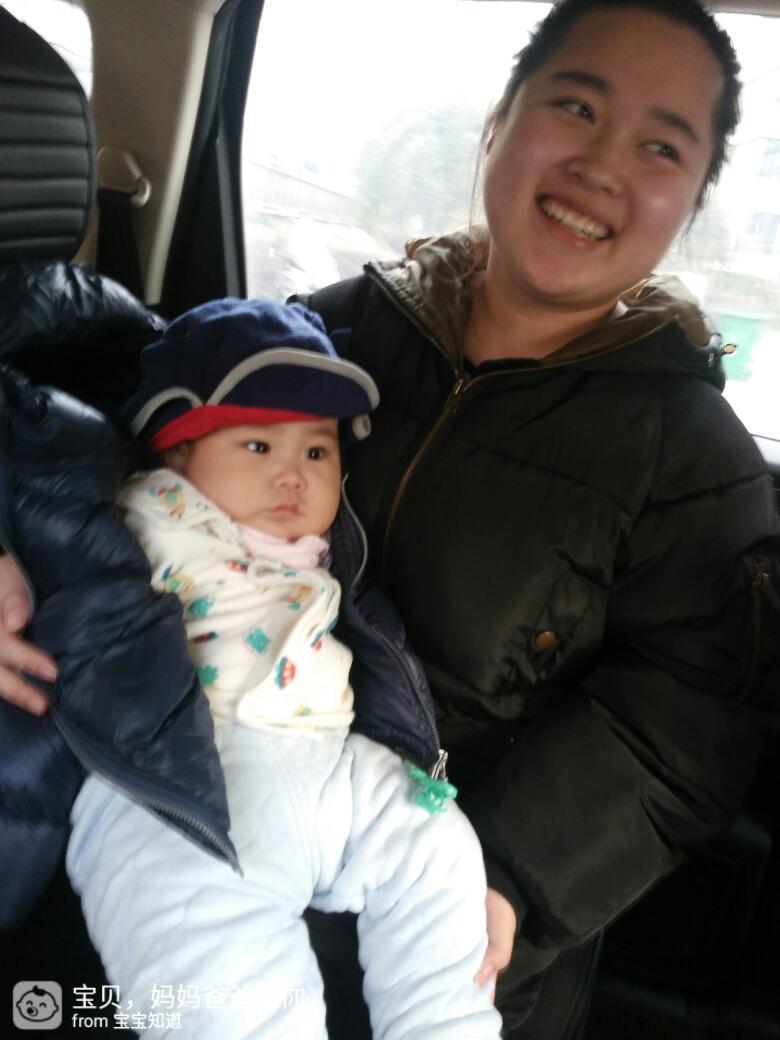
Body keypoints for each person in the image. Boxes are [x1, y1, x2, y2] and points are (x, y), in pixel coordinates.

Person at [1, 0, 779, 1036]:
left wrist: (508, 877)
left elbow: (680, 731)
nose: (602, 164)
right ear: (499, 122)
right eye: (577, 107)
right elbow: (114, 448)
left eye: (660, 146)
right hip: (174, 808)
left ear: (693, 198)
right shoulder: (320, 334)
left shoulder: (697, 464)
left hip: (447, 911)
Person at [64, 298, 502, 1039]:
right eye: (259, 446)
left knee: (437, 843)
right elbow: (53, 540)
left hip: (328, 764)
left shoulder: (333, 556)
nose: (293, 476)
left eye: (317, 453)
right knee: (217, 963)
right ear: (176, 454)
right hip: (181, 782)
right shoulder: (146, 517)